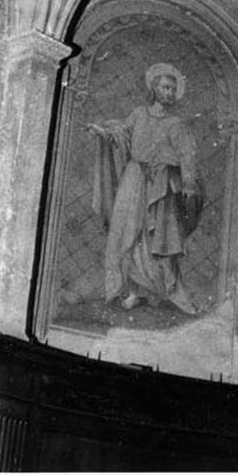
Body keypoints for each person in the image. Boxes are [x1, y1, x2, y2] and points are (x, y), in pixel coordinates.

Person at [88, 62, 202, 315]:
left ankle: (157, 289)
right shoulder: (139, 114)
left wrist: (188, 183)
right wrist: (102, 131)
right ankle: (132, 290)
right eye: (165, 87)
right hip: (133, 179)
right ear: (154, 88)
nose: (169, 93)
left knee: (157, 237)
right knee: (128, 232)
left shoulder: (176, 124)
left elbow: (187, 155)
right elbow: (121, 135)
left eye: (172, 89)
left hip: (161, 186)